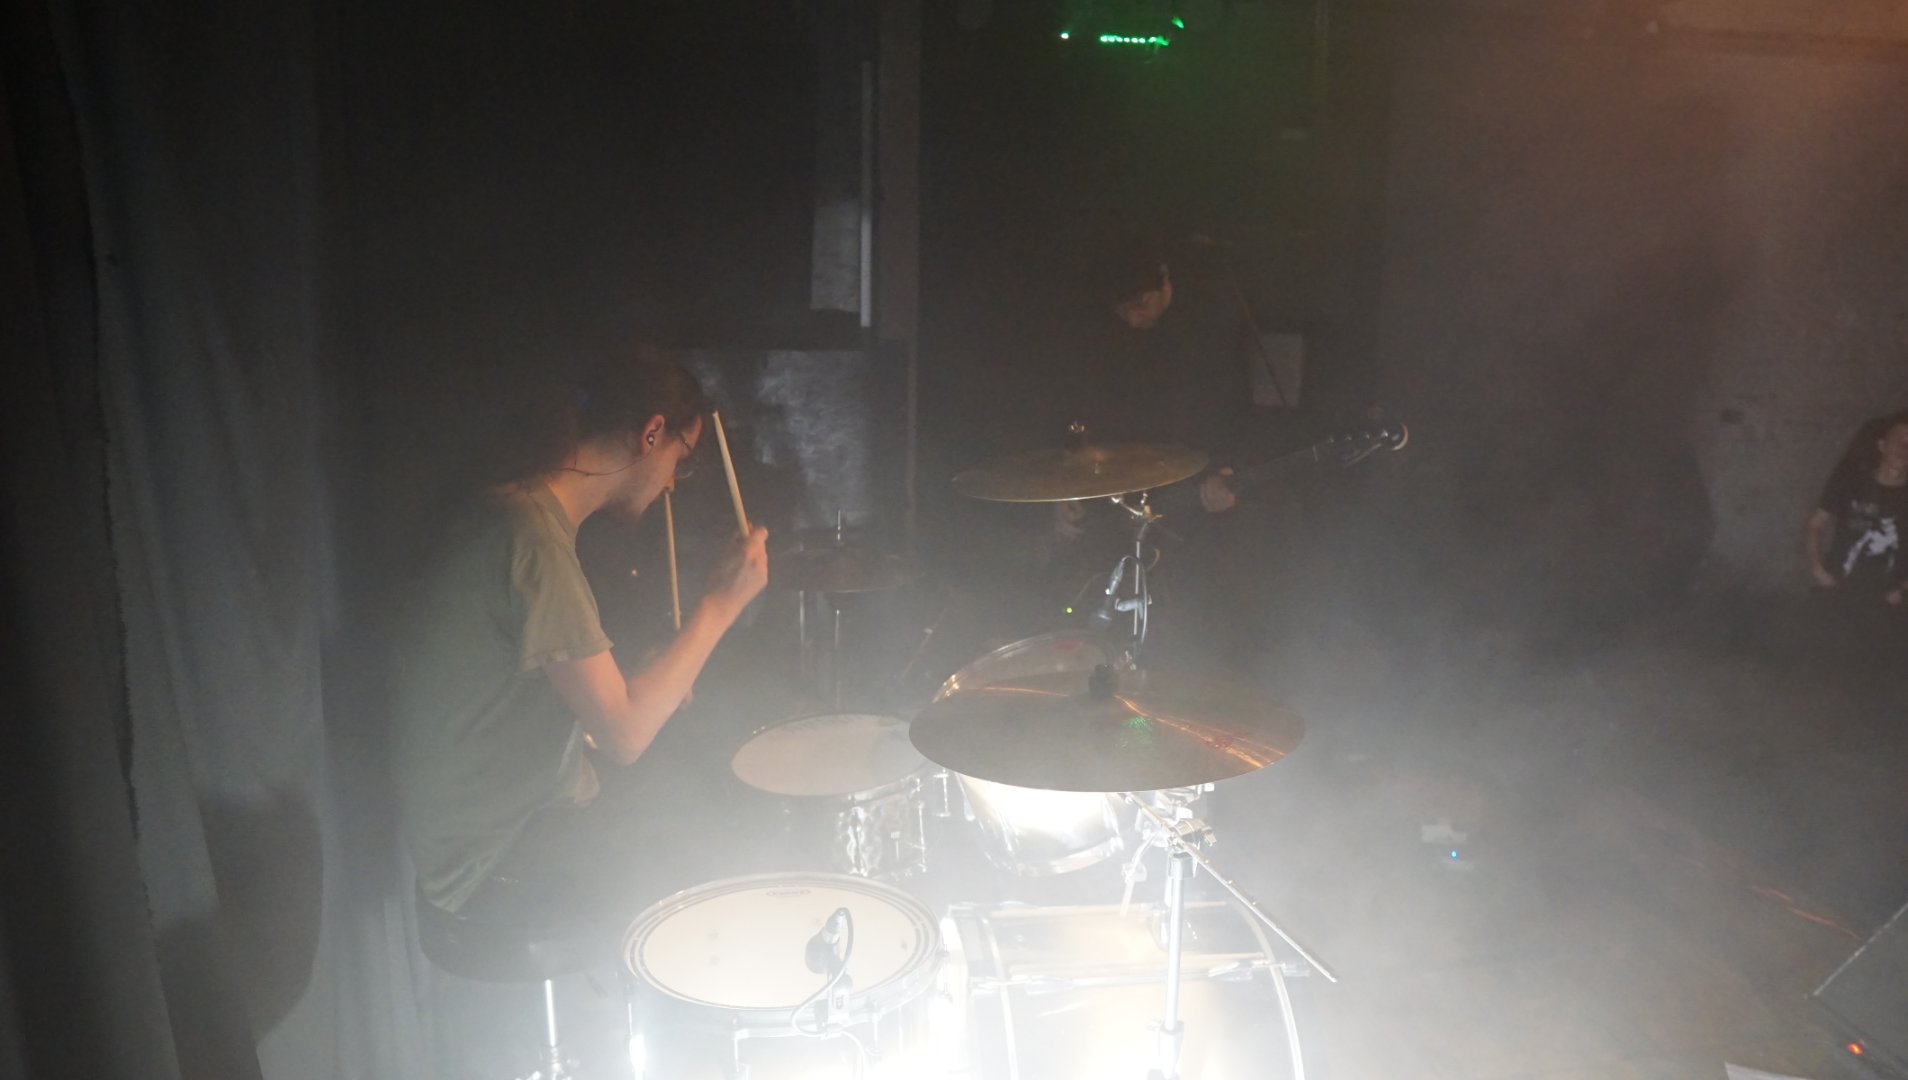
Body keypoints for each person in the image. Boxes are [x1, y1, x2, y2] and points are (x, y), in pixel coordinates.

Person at [390, 351, 769, 930]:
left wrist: (652, 679)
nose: (673, 482)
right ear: (651, 433)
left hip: (489, 829)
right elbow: (625, 734)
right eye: (682, 459)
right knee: (727, 845)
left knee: (695, 797)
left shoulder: (513, 510)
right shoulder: (531, 540)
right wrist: (722, 604)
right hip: (493, 858)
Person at [1805, 410, 1908, 610]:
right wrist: (1817, 568)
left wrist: (1903, 590)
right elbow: (1815, 524)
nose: (1904, 448)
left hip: (1887, 602)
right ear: (1881, 445)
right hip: (1837, 593)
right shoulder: (1851, 482)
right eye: (1899, 440)